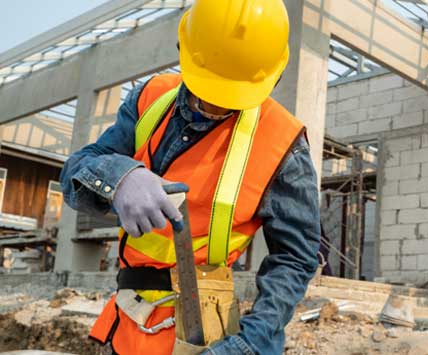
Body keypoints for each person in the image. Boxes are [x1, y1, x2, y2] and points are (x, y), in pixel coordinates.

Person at [60, 1, 320, 354]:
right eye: (207, 93)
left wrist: (248, 344)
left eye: (229, 99)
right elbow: (75, 172)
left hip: (204, 338)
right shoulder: (150, 98)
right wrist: (118, 176)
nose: (214, 108)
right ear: (184, 49)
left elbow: (295, 258)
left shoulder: (284, 144)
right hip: (127, 324)